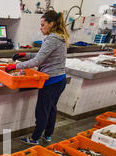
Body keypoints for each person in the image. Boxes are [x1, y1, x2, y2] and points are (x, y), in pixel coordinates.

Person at [5, 10, 69, 145]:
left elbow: (37, 62)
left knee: (42, 111)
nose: (40, 28)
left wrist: (15, 67)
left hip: (51, 81)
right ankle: (48, 135)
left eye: (42, 25)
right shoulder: (59, 37)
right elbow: (41, 55)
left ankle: (35, 138)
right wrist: (24, 54)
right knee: (51, 109)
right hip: (60, 79)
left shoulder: (52, 39)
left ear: (51, 24)